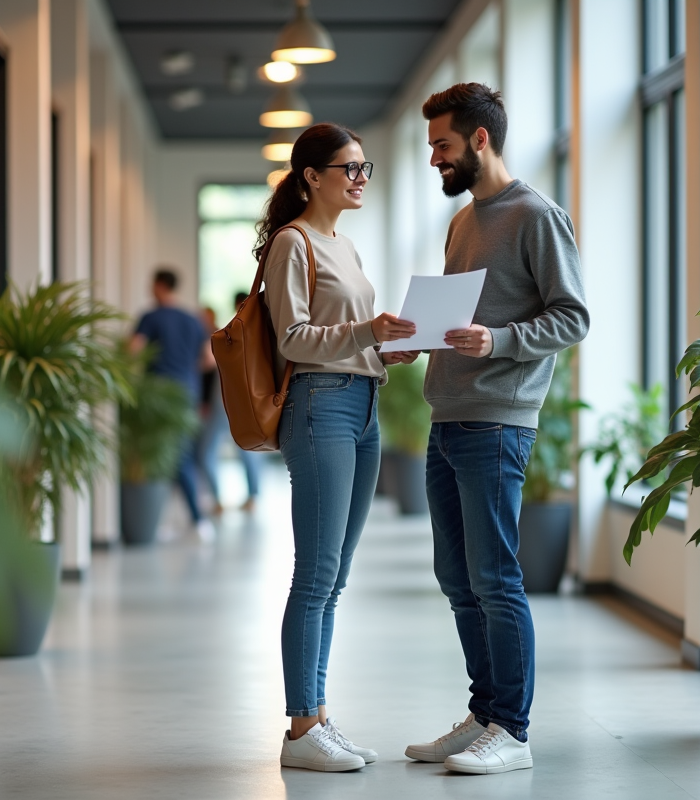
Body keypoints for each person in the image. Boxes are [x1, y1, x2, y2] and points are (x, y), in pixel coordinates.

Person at [401, 84, 589, 775]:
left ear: (480, 140)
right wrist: (419, 338)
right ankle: (484, 713)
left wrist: (499, 341)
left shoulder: (537, 215)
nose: (435, 159)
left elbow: (573, 316)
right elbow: (460, 318)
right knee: (457, 576)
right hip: (447, 416)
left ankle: (512, 729)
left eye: (443, 145)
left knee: (495, 578)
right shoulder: (462, 222)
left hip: (497, 423)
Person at [261, 122, 417, 773]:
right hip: (319, 405)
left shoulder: (344, 246)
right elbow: (293, 338)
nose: (359, 178)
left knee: (337, 574)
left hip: (363, 403)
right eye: (348, 168)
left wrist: (386, 349)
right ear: (311, 177)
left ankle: (318, 716)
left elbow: (348, 335)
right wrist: (365, 331)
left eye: (363, 168)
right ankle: (301, 728)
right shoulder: (292, 244)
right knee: (316, 573)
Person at [131, 268, 217, 541]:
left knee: (170, 457)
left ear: (159, 285)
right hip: (187, 393)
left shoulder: (150, 317)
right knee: (180, 453)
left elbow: (133, 350)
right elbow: (210, 359)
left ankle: (196, 519)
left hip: (160, 397)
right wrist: (186, 369)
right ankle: (177, 520)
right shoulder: (193, 319)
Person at [196, 295, 261, 514]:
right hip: (241, 404)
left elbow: (208, 361)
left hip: (224, 402)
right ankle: (251, 496)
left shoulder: (230, 332)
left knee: (208, 452)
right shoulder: (255, 333)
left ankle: (219, 500)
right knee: (248, 450)